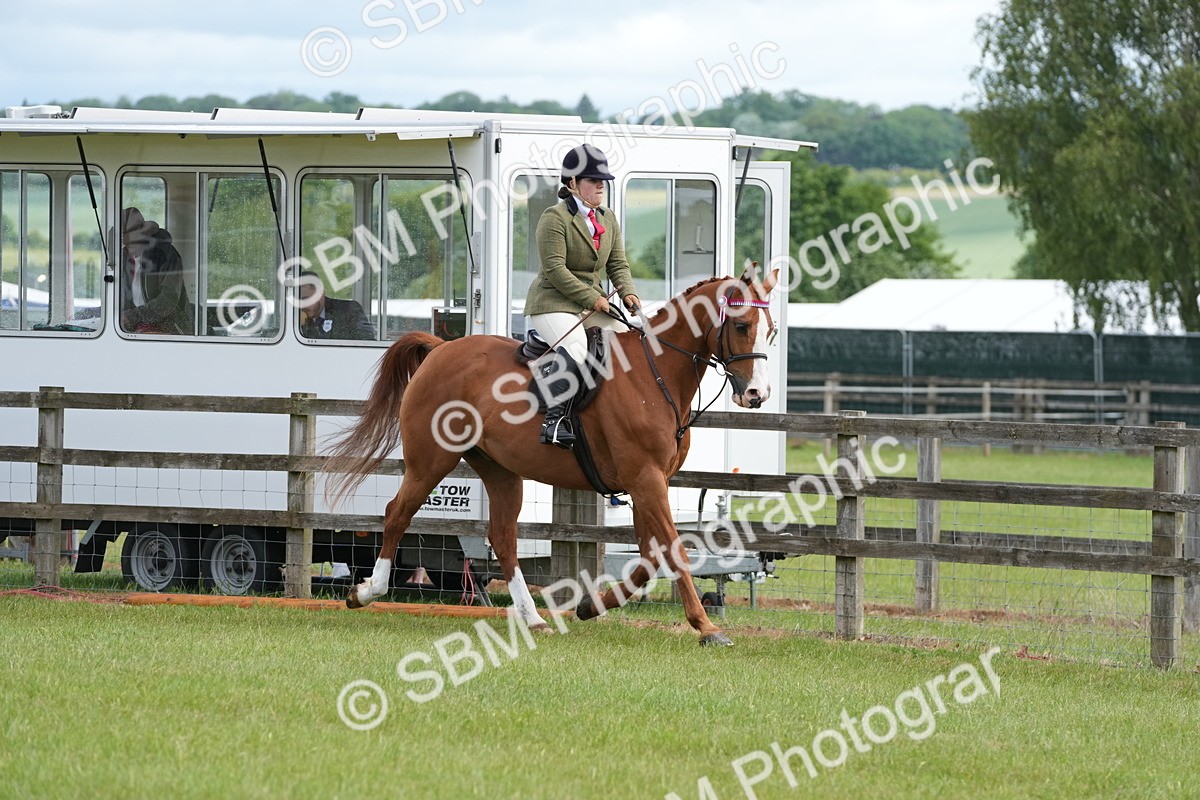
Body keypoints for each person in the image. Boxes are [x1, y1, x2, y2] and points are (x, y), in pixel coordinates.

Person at [524, 144, 641, 449]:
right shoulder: (554, 218)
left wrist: (628, 293)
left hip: (592, 302)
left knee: (629, 343)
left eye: (602, 180)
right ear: (572, 183)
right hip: (553, 302)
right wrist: (594, 299)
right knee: (576, 348)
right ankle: (554, 421)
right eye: (592, 179)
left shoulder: (607, 218)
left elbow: (618, 263)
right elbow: (555, 270)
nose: (600, 184)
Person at [120, 207, 194, 335]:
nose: (127, 247)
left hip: (170, 326)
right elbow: (120, 297)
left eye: (132, 241)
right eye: (125, 243)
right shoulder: (124, 257)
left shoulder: (165, 254)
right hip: (134, 326)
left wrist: (133, 316)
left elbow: (168, 300)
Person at [297, 271, 376, 340]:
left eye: (306, 299)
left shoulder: (349, 310)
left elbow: (366, 340)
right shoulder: (295, 319)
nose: (302, 305)